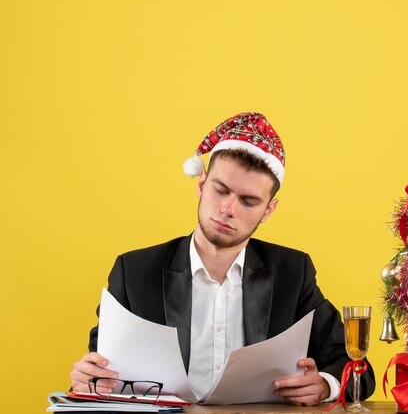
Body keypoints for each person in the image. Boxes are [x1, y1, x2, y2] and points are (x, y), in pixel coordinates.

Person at [69, 112, 375, 406]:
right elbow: (101, 374)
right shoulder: (134, 272)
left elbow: (359, 369)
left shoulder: (292, 273)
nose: (229, 210)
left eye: (249, 201)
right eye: (221, 190)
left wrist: (325, 385)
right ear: (202, 183)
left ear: (268, 210)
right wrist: (87, 381)